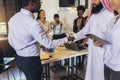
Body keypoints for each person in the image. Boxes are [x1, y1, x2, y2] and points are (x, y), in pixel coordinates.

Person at [8, 0, 70, 80]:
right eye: (39, 2)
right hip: (31, 61)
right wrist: (66, 39)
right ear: (31, 3)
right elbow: (49, 44)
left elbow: (10, 40)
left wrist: (20, 49)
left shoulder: (13, 18)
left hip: (19, 58)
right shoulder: (33, 23)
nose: (40, 5)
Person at [68, 0, 114, 80]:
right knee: (92, 74)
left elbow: (114, 38)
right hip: (92, 52)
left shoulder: (110, 14)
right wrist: (74, 37)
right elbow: (85, 30)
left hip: (104, 54)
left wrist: (103, 43)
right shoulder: (93, 15)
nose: (92, 2)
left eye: (95, 0)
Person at [93, 0, 120, 80]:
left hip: (118, 67)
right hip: (108, 63)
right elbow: (110, 42)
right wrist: (101, 43)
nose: (109, 1)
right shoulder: (113, 19)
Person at [73, 5, 87, 69]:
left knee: (83, 50)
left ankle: (82, 62)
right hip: (77, 37)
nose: (79, 13)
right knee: (77, 50)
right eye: (78, 11)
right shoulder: (75, 20)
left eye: (80, 12)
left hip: (83, 37)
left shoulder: (85, 20)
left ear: (83, 12)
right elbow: (74, 29)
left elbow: (86, 29)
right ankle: (79, 62)